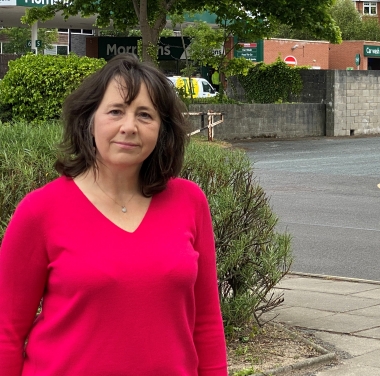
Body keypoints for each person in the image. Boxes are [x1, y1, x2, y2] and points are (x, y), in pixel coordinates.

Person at [0, 54, 227, 376]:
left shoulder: (189, 202)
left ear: (162, 130)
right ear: (89, 119)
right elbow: (5, 332)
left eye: (145, 115)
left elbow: (206, 320)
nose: (129, 127)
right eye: (116, 111)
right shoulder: (40, 211)